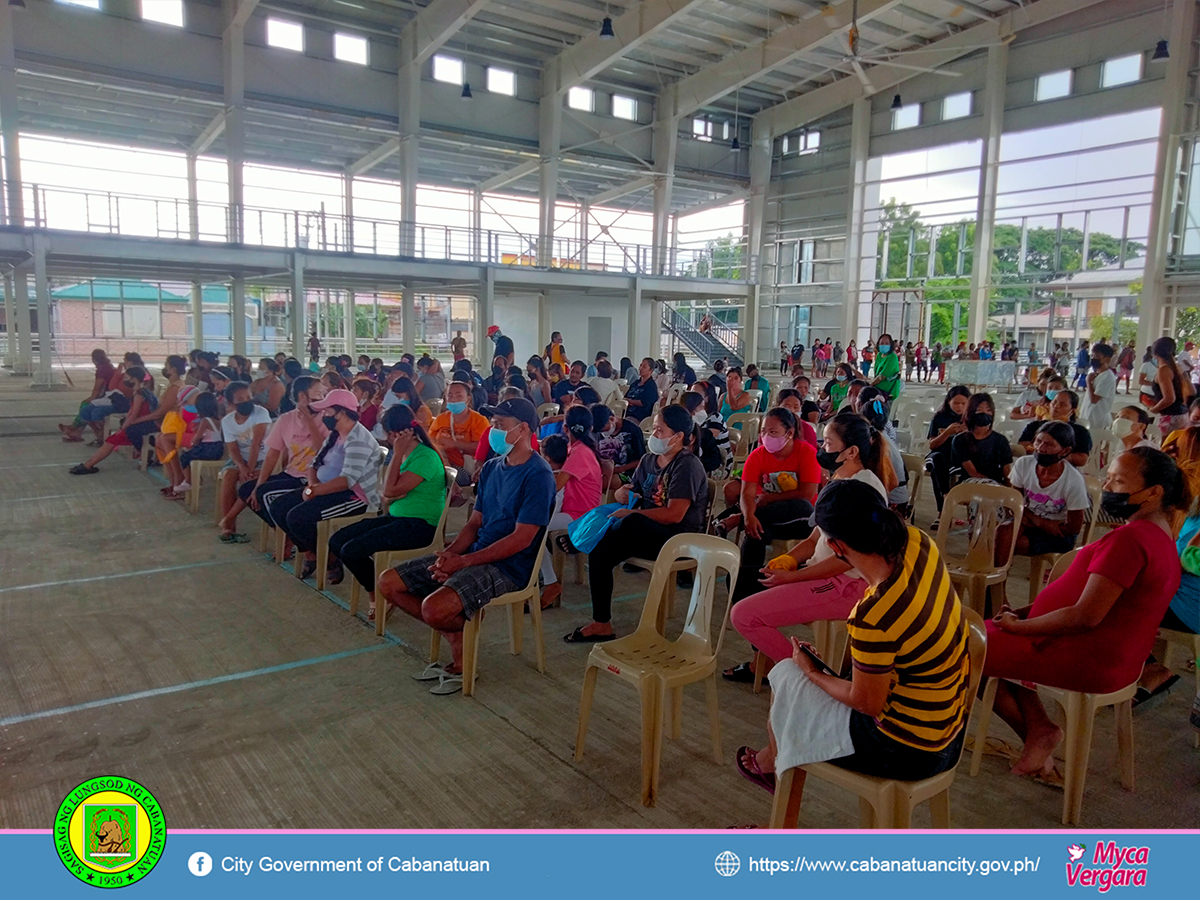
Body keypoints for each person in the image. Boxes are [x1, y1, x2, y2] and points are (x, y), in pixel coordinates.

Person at [736, 480, 971, 793]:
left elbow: (867, 703)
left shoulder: (874, 613)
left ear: (835, 547)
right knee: (796, 689)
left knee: (790, 682)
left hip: (905, 750)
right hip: (948, 725)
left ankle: (776, 789)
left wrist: (813, 672)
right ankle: (772, 760)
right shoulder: (918, 542)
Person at [983, 447, 1186, 777]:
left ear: (1153, 492)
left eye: (1118, 481)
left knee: (965, 644)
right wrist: (1026, 614)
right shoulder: (1160, 536)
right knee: (985, 633)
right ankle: (1038, 730)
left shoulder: (1132, 540)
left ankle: (1038, 731)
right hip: (1110, 653)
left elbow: (1085, 616)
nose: (1107, 487)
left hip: (1086, 654)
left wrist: (1022, 628)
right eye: (1108, 477)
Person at [378, 397, 555, 694]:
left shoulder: (538, 474)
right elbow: (474, 524)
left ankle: (459, 644)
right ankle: (458, 632)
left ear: (523, 429)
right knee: (389, 583)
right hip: (477, 554)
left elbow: (522, 539)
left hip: (511, 566)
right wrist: (451, 555)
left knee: (434, 609)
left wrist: (463, 563)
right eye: (493, 425)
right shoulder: (492, 469)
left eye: (499, 425)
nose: (493, 431)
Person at [725, 415, 895, 686]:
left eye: (828, 442)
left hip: (847, 585)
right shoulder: (840, 478)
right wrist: (789, 560)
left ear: (851, 451)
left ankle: (810, 679)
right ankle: (767, 658)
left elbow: (847, 559)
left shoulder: (863, 489)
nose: (822, 449)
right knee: (743, 579)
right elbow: (816, 535)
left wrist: (792, 578)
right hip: (824, 574)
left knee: (744, 615)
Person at [563, 405, 708, 644]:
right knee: (601, 552)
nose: (654, 435)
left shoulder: (687, 465)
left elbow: (675, 515)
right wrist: (622, 492)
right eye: (654, 429)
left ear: (679, 436)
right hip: (645, 531)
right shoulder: (649, 460)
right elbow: (636, 493)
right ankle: (602, 624)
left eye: (660, 430)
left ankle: (582, 539)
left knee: (630, 521)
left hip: (679, 538)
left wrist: (629, 513)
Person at [327, 404, 448, 615]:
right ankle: (383, 588)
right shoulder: (407, 454)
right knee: (338, 540)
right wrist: (397, 455)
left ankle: (380, 593)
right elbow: (389, 492)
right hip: (398, 517)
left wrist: (397, 451)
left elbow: (389, 491)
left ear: (395, 434)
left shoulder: (424, 457)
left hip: (420, 525)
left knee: (352, 550)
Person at [268, 389, 382, 580]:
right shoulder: (335, 434)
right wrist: (312, 486)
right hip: (325, 488)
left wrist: (315, 490)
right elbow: (315, 463)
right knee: (278, 507)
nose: (325, 416)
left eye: (328, 411)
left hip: (354, 496)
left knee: (298, 518)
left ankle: (326, 557)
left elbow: (347, 481)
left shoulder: (358, 439)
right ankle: (314, 553)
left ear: (342, 412)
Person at [716, 408, 820, 589]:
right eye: (764, 431)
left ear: (789, 433)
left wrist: (768, 500)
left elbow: (807, 493)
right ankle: (745, 590)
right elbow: (746, 494)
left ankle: (736, 519)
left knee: (802, 506)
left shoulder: (806, 452)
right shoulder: (757, 455)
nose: (766, 436)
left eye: (773, 432)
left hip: (803, 521)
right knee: (755, 532)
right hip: (772, 521)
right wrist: (749, 517)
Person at [240, 375, 328, 535]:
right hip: (291, 474)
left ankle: (291, 537)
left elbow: (323, 450)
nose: (323, 398)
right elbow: (272, 455)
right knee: (247, 489)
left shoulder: (327, 418)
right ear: (302, 396)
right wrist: (259, 484)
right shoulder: (286, 419)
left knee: (266, 496)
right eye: (319, 394)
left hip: (312, 478)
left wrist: (309, 422)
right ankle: (284, 533)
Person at [69, 356, 187, 474]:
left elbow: (158, 413)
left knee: (112, 441)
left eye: (166, 366)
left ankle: (89, 465)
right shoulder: (162, 388)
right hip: (157, 421)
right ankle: (89, 464)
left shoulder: (171, 388)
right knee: (112, 440)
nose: (164, 368)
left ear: (173, 369)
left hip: (162, 423)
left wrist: (133, 422)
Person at [538, 407, 603, 609]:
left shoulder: (579, 453)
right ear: (590, 427)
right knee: (530, 524)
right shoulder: (579, 449)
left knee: (532, 527)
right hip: (575, 511)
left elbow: (554, 486)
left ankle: (550, 582)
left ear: (565, 427)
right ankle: (541, 576)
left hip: (580, 516)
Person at [1008, 421, 1089, 557]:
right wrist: (1037, 521)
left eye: (1049, 445)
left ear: (1065, 451)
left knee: (1013, 543)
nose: (1040, 448)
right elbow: (1014, 501)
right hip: (1030, 520)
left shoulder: (1073, 480)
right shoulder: (1024, 464)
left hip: (1058, 531)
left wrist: (1037, 523)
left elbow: (1074, 527)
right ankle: (997, 576)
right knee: (1003, 533)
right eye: (1038, 441)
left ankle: (997, 576)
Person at [215, 382, 272, 542]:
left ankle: (229, 518)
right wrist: (241, 466)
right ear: (232, 403)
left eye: (249, 397)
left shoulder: (260, 413)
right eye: (241, 399)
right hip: (241, 459)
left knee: (250, 480)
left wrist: (248, 469)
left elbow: (256, 445)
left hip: (261, 459)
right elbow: (232, 449)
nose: (247, 401)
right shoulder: (227, 421)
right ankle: (229, 528)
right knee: (229, 476)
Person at [161, 391, 224, 498]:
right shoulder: (219, 419)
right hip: (218, 449)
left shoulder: (205, 421)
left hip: (208, 449)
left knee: (185, 457)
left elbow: (198, 437)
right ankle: (191, 479)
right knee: (190, 454)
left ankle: (188, 481)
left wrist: (192, 443)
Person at [59, 349, 123, 443]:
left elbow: (97, 390)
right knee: (86, 407)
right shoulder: (109, 366)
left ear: (94, 359)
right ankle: (77, 431)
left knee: (85, 406)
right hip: (111, 396)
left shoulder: (102, 370)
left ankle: (78, 428)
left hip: (107, 397)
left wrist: (90, 399)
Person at [429, 381, 489, 480]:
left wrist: (455, 444)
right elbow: (430, 441)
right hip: (440, 462)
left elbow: (482, 448)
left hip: (462, 468)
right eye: (450, 396)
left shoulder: (479, 420)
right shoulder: (441, 419)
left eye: (459, 396)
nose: (454, 400)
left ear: (468, 399)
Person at [1018, 389, 1091, 469]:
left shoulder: (1080, 431)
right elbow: (1022, 446)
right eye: (1054, 402)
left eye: (1062, 405)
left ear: (1072, 410)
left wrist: (1056, 455)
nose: (1056, 406)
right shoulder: (1035, 425)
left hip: (1065, 470)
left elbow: (1082, 459)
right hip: (1032, 467)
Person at [925, 385, 971, 514]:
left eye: (963, 403)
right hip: (940, 454)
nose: (959, 407)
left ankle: (953, 501)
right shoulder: (940, 417)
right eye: (956, 403)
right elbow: (932, 445)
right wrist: (947, 432)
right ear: (948, 402)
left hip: (960, 457)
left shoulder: (971, 418)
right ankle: (943, 506)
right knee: (937, 464)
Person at [950, 392, 1012, 485]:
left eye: (988, 410)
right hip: (970, 483)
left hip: (997, 484)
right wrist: (990, 484)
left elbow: (1006, 470)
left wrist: (1011, 491)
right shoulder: (960, 440)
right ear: (970, 412)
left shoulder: (1000, 440)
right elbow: (972, 472)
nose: (984, 413)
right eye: (979, 410)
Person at [593, 404, 647, 490]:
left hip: (625, 472)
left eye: (604, 430)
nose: (603, 433)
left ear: (611, 419)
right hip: (604, 469)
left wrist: (620, 469)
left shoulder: (632, 431)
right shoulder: (597, 431)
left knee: (603, 482)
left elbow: (641, 460)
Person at [1147, 336, 1194, 434]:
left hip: (1169, 418)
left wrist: (1153, 410)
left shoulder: (1163, 370)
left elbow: (1169, 398)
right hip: (1182, 415)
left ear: (1155, 354)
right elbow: (1192, 391)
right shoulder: (1178, 368)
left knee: (1165, 448)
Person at [680, 393, 724, 473]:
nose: (703, 411)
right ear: (692, 411)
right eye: (701, 407)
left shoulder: (705, 434)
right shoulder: (675, 433)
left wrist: (694, 464)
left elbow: (715, 461)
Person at [688, 381, 731, 463]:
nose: (692, 397)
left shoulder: (715, 418)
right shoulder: (691, 416)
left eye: (696, 395)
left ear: (707, 398)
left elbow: (703, 441)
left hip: (716, 462)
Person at [1080, 341, 1116, 433]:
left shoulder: (1108, 376)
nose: (1093, 358)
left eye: (1097, 356)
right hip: (1088, 417)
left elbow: (1094, 399)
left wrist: (1088, 382)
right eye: (1092, 355)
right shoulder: (1097, 374)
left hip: (1098, 420)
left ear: (1106, 359)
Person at [623, 357, 659, 422]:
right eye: (640, 365)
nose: (640, 368)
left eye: (644, 367)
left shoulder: (651, 386)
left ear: (650, 370)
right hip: (626, 413)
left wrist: (631, 402)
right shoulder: (635, 383)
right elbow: (626, 396)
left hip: (639, 417)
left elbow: (645, 402)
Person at [870, 332, 902, 400]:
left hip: (889, 392)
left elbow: (882, 376)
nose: (884, 345)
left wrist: (870, 384)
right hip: (878, 390)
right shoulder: (879, 355)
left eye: (887, 343)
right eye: (881, 343)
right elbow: (877, 373)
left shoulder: (892, 357)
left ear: (891, 345)